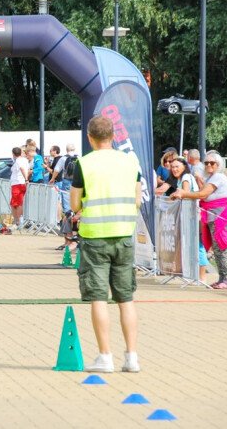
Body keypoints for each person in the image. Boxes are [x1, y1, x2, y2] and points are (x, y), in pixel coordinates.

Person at [70, 115, 142, 373]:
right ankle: (132, 357)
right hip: (124, 234)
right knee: (126, 298)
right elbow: (137, 199)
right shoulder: (130, 162)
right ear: (113, 136)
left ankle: (105, 357)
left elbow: (75, 204)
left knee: (98, 297)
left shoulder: (84, 164)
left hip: (95, 236)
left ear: (90, 138)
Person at [172, 150, 227, 289]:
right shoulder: (211, 178)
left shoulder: (218, 177)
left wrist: (183, 193)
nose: (208, 165)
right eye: (206, 163)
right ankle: (222, 278)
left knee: (222, 247)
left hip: (220, 215)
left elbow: (203, 194)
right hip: (212, 215)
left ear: (218, 164)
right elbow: (203, 193)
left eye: (212, 163)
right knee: (217, 248)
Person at [51, 144, 77, 215]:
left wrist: (52, 178)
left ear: (66, 150)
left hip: (67, 181)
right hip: (77, 181)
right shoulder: (79, 157)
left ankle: (68, 218)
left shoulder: (63, 158)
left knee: (66, 200)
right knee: (77, 198)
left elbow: (56, 170)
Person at [9, 146, 30, 229]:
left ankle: (18, 221)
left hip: (17, 183)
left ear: (13, 154)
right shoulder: (25, 160)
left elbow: (22, 169)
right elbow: (27, 169)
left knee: (16, 203)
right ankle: (17, 220)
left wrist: (26, 179)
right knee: (16, 203)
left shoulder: (18, 161)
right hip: (20, 184)